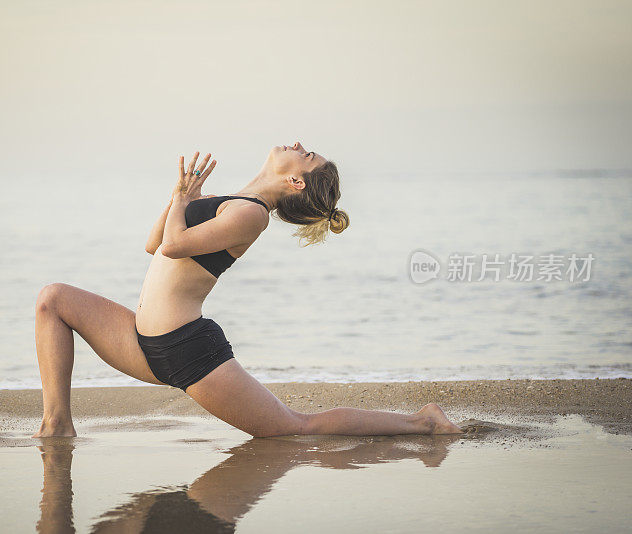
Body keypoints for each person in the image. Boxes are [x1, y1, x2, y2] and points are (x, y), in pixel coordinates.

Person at [32, 142, 463, 438]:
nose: (296, 144)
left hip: (187, 348)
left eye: (306, 154)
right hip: (143, 342)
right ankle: (58, 423)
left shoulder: (252, 215)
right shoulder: (228, 201)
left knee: (295, 428)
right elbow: (153, 245)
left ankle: (422, 423)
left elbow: (174, 243)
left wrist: (183, 202)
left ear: (296, 182)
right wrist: (181, 196)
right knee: (53, 300)